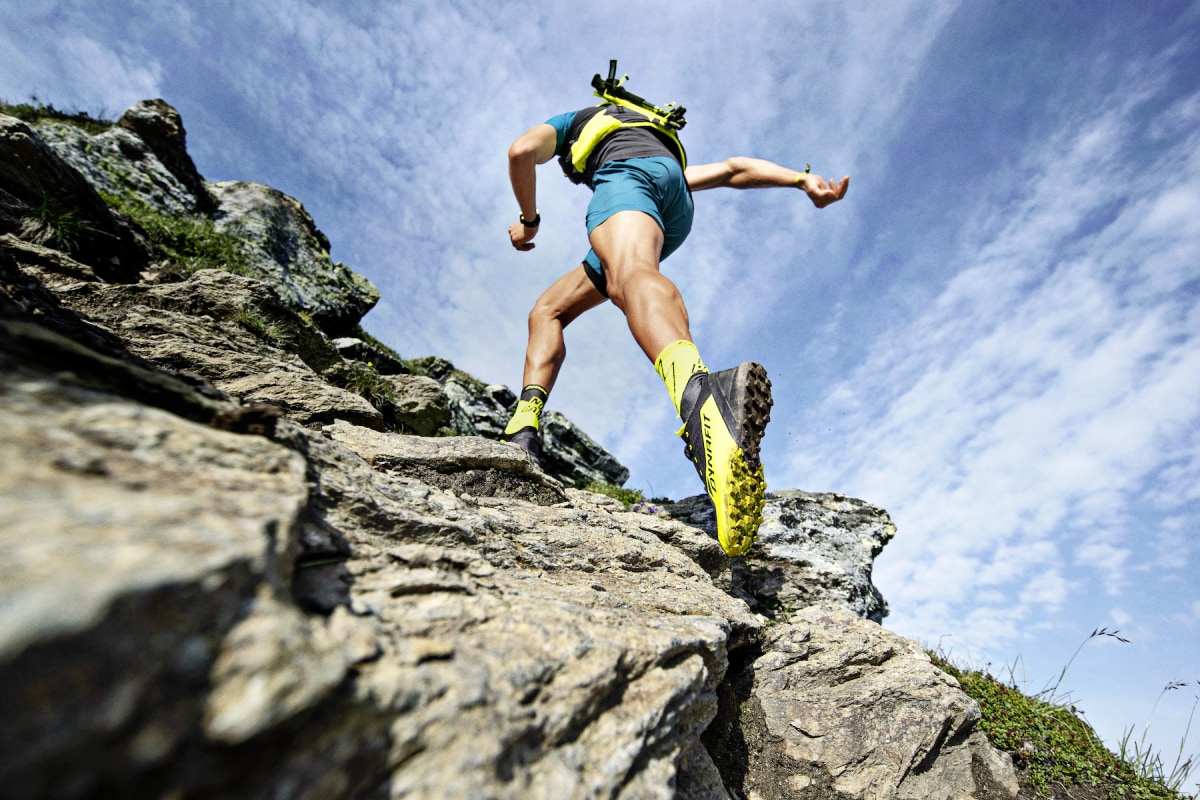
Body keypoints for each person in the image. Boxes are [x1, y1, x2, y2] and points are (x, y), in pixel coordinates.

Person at [501, 81, 849, 556]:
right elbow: (732, 169)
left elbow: (521, 151)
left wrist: (529, 220)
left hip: (629, 181)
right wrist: (799, 179)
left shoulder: (578, 123)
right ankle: (524, 429)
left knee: (631, 274)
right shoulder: (661, 143)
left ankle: (704, 398)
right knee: (550, 308)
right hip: (674, 204)